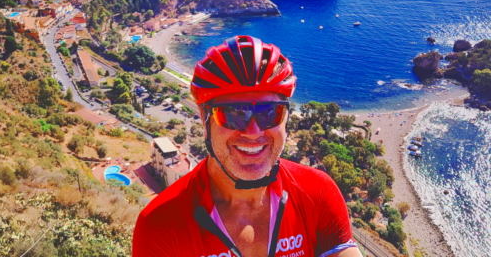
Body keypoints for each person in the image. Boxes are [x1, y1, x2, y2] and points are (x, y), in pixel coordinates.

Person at [133, 35, 362, 257]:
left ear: (286, 118)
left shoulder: (318, 193)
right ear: (205, 120)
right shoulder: (160, 226)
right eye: (232, 114)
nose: (253, 133)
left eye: (270, 113)